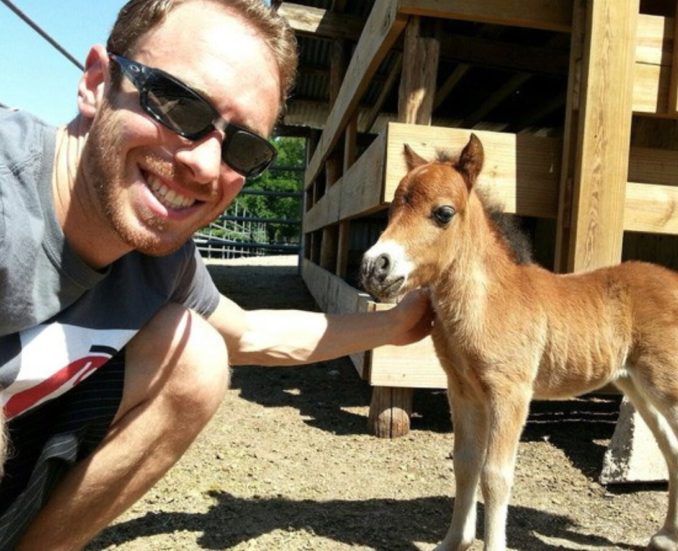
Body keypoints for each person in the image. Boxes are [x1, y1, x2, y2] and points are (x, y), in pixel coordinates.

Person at [0, 0, 434, 548]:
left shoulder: (161, 258)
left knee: (197, 356)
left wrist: (399, 325)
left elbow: (249, 334)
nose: (205, 166)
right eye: (178, 105)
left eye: (243, 147)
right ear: (95, 83)